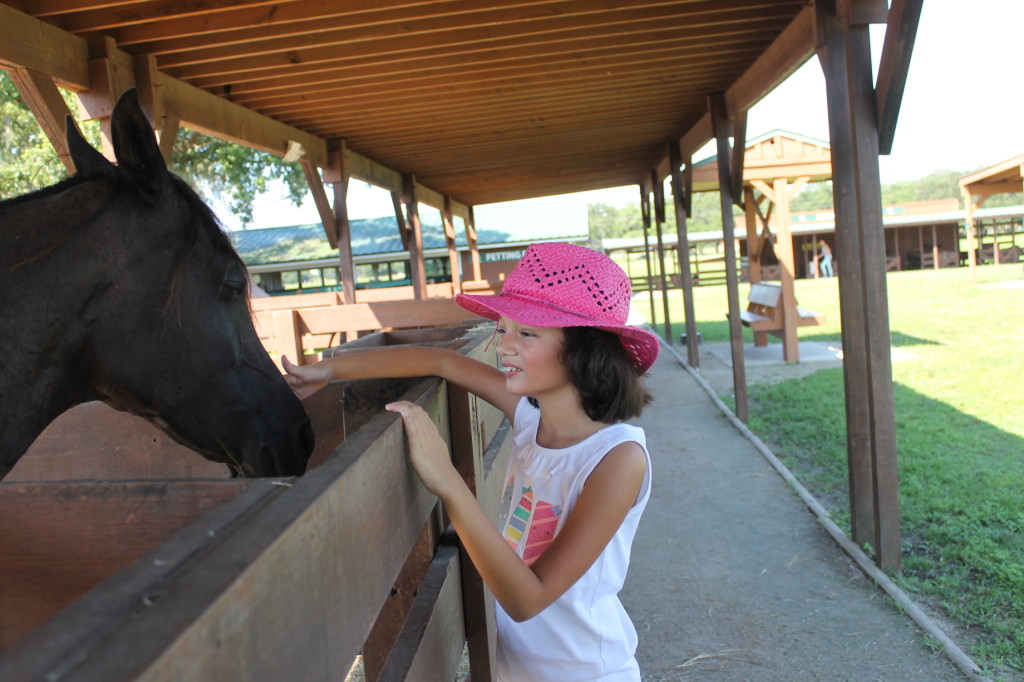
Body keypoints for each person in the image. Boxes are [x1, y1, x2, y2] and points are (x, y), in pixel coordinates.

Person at [283, 242, 660, 681]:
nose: (504, 347)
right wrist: (330, 370)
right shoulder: (529, 421)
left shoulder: (617, 459)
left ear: (583, 350)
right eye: (503, 329)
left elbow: (527, 600)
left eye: (527, 334)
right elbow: (442, 361)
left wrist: (447, 482)